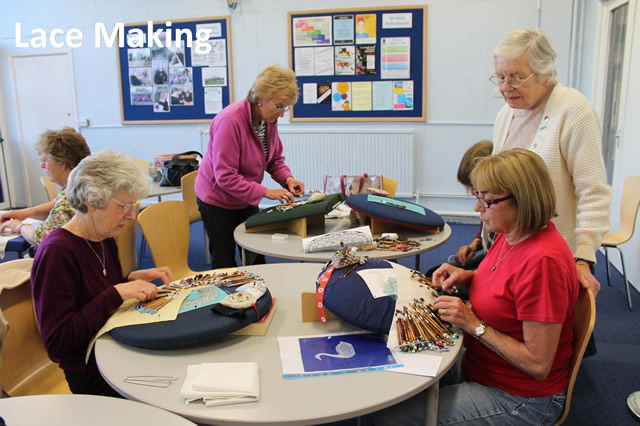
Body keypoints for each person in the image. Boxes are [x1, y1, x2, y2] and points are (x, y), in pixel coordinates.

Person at [368, 149, 579, 425]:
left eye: (487, 201)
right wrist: (468, 276)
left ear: (522, 201)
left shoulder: (543, 264)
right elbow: (507, 282)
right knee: (394, 377)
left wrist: (472, 323)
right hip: (482, 366)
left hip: (520, 397)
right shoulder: (513, 233)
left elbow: (538, 365)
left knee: (389, 418)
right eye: (478, 197)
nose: (477, 209)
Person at [30, 150, 173, 396]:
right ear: (91, 200)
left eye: (133, 206)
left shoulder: (103, 235)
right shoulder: (57, 252)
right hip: (91, 372)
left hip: (115, 347)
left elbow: (97, 290)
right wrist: (116, 293)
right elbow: (57, 343)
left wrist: (130, 280)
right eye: (123, 206)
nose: (131, 216)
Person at [490, 28, 611, 297]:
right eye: (500, 77)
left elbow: (593, 190)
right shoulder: (505, 115)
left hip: (553, 256)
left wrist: (584, 257)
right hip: (511, 248)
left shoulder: (573, 110)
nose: (506, 87)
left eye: (517, 77)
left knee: (555, 332)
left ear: (544, 73)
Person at [195, 64, 305, 268]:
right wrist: (266, 192)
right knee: (224, 261)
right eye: (279, 106)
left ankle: (257, 297)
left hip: (245, 196)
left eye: (285, 107)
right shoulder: (230, 121)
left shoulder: (267, 119)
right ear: (261, 98)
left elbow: (273, 160)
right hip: (217, 199)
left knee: (256, 255)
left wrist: (287, 179)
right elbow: (225, 176)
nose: (281, 114)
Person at [0, 128, 90, 247]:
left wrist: (19, 226)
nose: (42, 165)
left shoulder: (72, 194)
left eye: (45, 161)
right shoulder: (86, 183)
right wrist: (26, 212)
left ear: (62, 162)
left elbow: (41, 238)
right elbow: (58, 207)